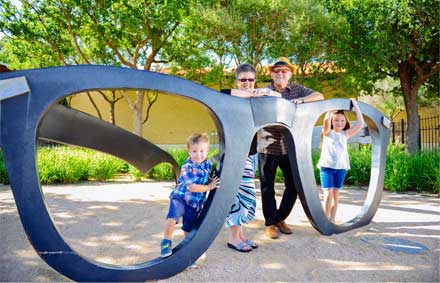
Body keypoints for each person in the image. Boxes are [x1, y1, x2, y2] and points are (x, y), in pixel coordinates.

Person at [258, 57, 324, 239]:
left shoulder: (297, 89)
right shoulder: (265, 91)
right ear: (271, 74)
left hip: (290, 146)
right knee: (267, 187)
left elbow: (320, 96)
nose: (280, 74)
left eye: (284, 71)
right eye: (277, 71)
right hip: (267, 144)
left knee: (294, 184)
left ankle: (280, 218)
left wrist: (302, 100)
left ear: (290, 74)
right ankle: (270, 223)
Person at [221, 63, 280, 252]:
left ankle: (241, 235)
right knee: (235, 196)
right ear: (236, 81)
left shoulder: (255, 99)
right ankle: (233, 238)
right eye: (243, 80)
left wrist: (267, 93)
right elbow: (223, 92)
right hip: (233, 154)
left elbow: (279, 98)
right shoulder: (230, 98)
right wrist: (255, 93)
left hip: (250, 154)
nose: (247, 83)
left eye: (251, 80)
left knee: (246, 197)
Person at [160, 133, 220, 258]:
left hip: (195, 204)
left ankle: (189, 250)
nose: (199, 155)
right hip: (181, 198)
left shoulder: (207, 164)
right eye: (194, 151)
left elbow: (203, 178)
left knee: (189, 229)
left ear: (207, 150)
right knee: (172, 217)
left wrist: (210, 180)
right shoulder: (187, 167)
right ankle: (166, 242)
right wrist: (210, 187)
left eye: (202, 151)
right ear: (189, 151)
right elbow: (192, 187)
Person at [317, 98, 365, 222]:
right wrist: (330, 109)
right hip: (327, 168)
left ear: (345, 122)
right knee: (328, 195)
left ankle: (332, 220)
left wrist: (355, 105)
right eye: (336, 120)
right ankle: (325, 220)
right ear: (332, 122)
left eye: (342, 120)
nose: (339, 122)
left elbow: (360, 123)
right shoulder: (327, 133)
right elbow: (326, 121)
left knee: (336, 196)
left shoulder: (345, 134)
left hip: (340, 168)